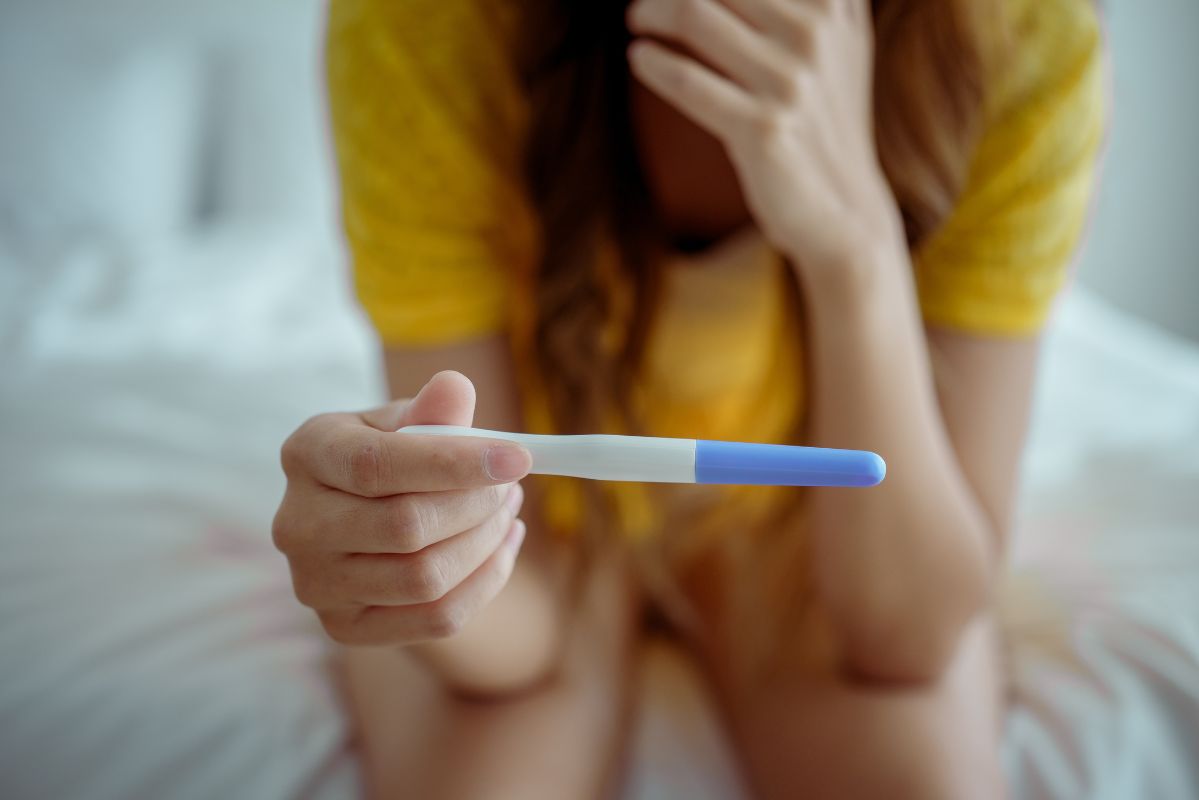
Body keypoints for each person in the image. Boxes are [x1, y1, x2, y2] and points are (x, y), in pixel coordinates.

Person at [272, 0, 1106, 796]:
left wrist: (855, 249)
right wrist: (426, 567)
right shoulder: (428, 24)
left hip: (814, 544)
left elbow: (912, 633)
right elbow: (512, 632)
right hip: (553, 528)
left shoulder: (1023, 43)